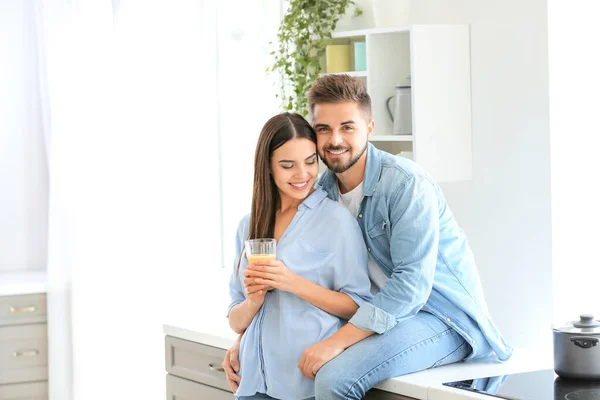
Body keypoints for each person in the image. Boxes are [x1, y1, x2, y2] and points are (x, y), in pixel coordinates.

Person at [224, 75, 513, 400]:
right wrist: (249, 343)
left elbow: (410, 288)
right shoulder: (320, 189)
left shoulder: (407, 185)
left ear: (369, 128)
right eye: (324, 129)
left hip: (440, 317)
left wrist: (337, 342)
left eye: (347, 127)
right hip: (382, 312)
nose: (335, 140)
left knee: (334, 379)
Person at [227, 112, 373, 400]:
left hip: (305, 383)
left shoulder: (336, 221)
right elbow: (235, 320)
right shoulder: (249, 225)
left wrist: (291, 282)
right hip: (252, 381)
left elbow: (359, 305)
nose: (302, 175)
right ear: (267, 167)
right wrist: (254, 301)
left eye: (310, 162)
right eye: (287, 165)